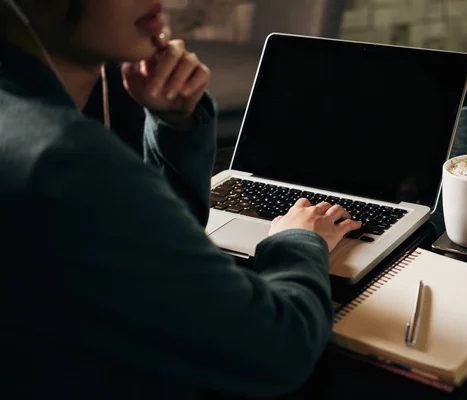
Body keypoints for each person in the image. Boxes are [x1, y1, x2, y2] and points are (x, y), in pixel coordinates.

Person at [0, 1, 362, 398]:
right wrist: (296, 241)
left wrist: (176, 125)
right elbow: (279, 349)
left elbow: (152, 252)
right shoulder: (65, 161)